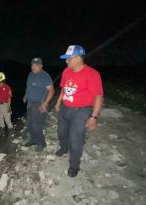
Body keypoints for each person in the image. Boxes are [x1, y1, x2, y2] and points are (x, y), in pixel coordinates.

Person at [55, 45, 104, 177]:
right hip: (65, 107)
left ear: (77, 58)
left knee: (75, 138)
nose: (66, 61)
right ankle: (64, 148)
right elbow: (64, 88)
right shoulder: (66, 72)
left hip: (81, 111)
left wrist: (94, 117)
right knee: (61, 132)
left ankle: (74, 165)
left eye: (68, 59)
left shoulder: (92, 74)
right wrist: (59, 101)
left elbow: (98, 96)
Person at [23, 58, 55, 152]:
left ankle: (42, 143)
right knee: (29, 124)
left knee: (36, 124)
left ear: (40, 66)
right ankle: (33, 140)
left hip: (39, 103)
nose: (32, 67)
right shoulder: (30, 74)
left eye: (35, 65)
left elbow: (52, 91)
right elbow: (28, 86)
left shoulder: (45, 76)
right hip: (30, 103)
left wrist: (45, 103)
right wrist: (25, 96)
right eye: (32, 65)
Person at [0, 72, 14, 137]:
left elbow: (9, 97)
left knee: (7, 119)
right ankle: (2, 131)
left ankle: (11, 131)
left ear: (0, 80)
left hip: (5, 105)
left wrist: (8, 107)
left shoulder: (7, 87)